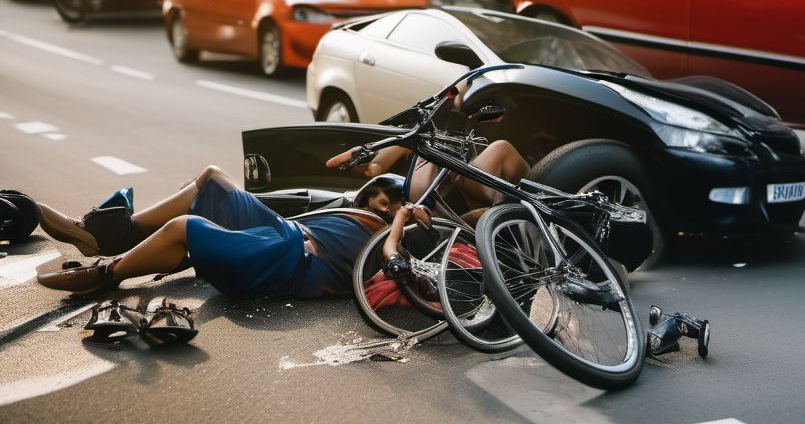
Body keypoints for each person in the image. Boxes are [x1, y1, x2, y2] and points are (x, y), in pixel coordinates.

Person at [34, 138, 529, 298]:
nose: (382, 201)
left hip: (294, 259)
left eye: (387, 201)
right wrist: (399, 145)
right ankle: (109, 233)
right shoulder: (389, 196)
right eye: (379, 198)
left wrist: (490, 197)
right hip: (288, 230)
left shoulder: (436, 233)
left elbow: (503, 159)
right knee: (210, 177)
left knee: (188, 231)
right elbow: (389, 162)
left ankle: (107, 271)